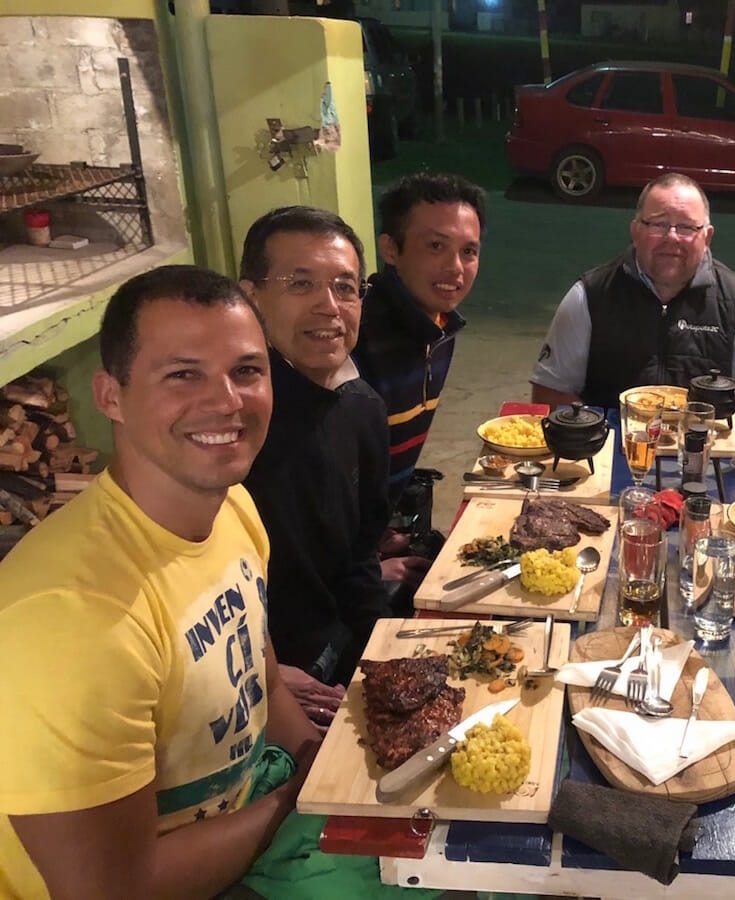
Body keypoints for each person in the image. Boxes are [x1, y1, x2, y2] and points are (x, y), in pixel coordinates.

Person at [0, 266, 321, 898]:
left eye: (247, 371)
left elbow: (256, 669)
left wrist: (324, 766)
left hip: (248, 814)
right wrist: (297, 801)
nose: (226, 400)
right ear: (110, 395)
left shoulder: (232, 508)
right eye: (183, 374)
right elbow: (113, 890)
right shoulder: (70, 621)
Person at [239, 207, 390, 706]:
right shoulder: (230, 424)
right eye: (300, 284)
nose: (329, 307)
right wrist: (268, 676)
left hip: (336, 653)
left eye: (345, 287)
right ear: (250, 297)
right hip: (251, 681)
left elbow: (360, 557)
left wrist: (381, 658)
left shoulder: (362, 406)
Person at [529, 172, 735, 410]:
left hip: (703, 446)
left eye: (687, 227)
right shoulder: (589, 295)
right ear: (635, 231)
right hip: (610, 443)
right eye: (659, 224)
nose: (672, 237)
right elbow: (549, 389)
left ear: (707, 237)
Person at [353, 172, 486, 592]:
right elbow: (317, 492)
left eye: (469, 251)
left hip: (377, 532)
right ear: (390, 248)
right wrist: (366, 565)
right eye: (435, 247)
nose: (455, 268)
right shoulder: (357, 339)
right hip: (338, 567)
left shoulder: (438, 329)